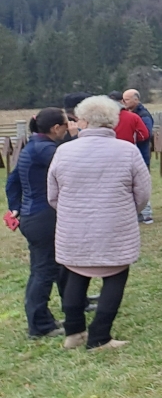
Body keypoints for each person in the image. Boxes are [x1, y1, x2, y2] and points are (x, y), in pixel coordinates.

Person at [48, 96, 151, 350]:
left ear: (83, 121)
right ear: (112, 121)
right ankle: (100, 336)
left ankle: (74, 333)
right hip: (114, 227)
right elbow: (143, 193)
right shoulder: (127, 151)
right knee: (115, 276)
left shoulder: (64, 151)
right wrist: (127, 211)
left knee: (75, 275)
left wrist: (71, 212)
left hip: (74, 229)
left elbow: (52, 194)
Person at [6, 108, 71, 339]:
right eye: (67, 125)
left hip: (32, 215)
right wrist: (75, 138)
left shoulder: (34, 146)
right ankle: (39, 325)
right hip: (43, 217)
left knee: (47, 269)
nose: (69, 128)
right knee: (43, 272)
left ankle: (52, 315)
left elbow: (12, 180)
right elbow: (73, 165)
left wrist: (15, 206)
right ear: (56, 128)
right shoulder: (47, 149)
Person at [121, 90, 155, 223]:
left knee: (141, 185)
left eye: (127, 99)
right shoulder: (131, 114)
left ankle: (146, 214)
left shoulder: (143, 115)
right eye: (123, 99)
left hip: (141, 155)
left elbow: (146, 135)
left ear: (136, 100)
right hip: (133, 154)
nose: (124, 102)